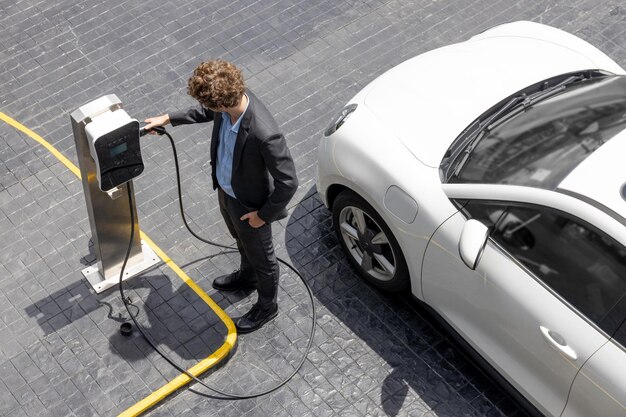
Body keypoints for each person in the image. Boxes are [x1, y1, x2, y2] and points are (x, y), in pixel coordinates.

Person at [144, 60, 298, 333]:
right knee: (240, 241)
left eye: (212, 107)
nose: (210, 111)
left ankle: (267, 306)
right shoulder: (229, 101)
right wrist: (168, 118)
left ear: (221, 104)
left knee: (264, 259)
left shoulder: (265, 134)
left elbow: (288, 182)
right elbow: (205, 112)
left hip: (252, 205)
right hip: (228, 193)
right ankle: (246, 278)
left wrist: (263, 216)